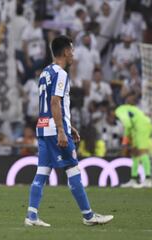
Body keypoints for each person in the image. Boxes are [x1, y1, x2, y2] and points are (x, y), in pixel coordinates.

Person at [24, 36, 113, 227]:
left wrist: (68, 126)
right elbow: (55, 102)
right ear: (65, 52)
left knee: (42, 172)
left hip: (43, 127)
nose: (73, 54)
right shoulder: (61, 73)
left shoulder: (45, 72)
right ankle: (88, 216)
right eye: (72, 50)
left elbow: (49, 105)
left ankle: (31, 216)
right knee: (73, 169)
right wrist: (61, 131)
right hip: (55, 130)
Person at [115, 95, 152, 188]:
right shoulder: (131, 108)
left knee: (142, 152)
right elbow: (131, 124)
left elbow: (127, 124)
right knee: (135, 153)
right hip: (139, 128)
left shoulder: (119, 110)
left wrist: (124, 142)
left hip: (142, 128)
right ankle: (133, 179)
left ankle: (148, 179)